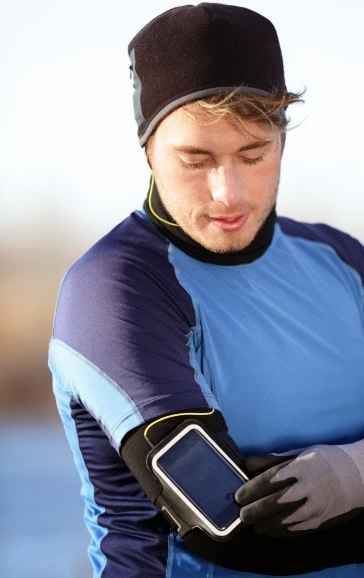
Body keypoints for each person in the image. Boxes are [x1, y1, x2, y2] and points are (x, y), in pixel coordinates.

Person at [48, 3, 364, 577]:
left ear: (284, 141)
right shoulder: (116, 289)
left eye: (254, 154)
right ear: (147, 148)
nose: (229, 193)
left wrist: (356, 474)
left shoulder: (342, 260)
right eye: (196, 160)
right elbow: (233, 529)